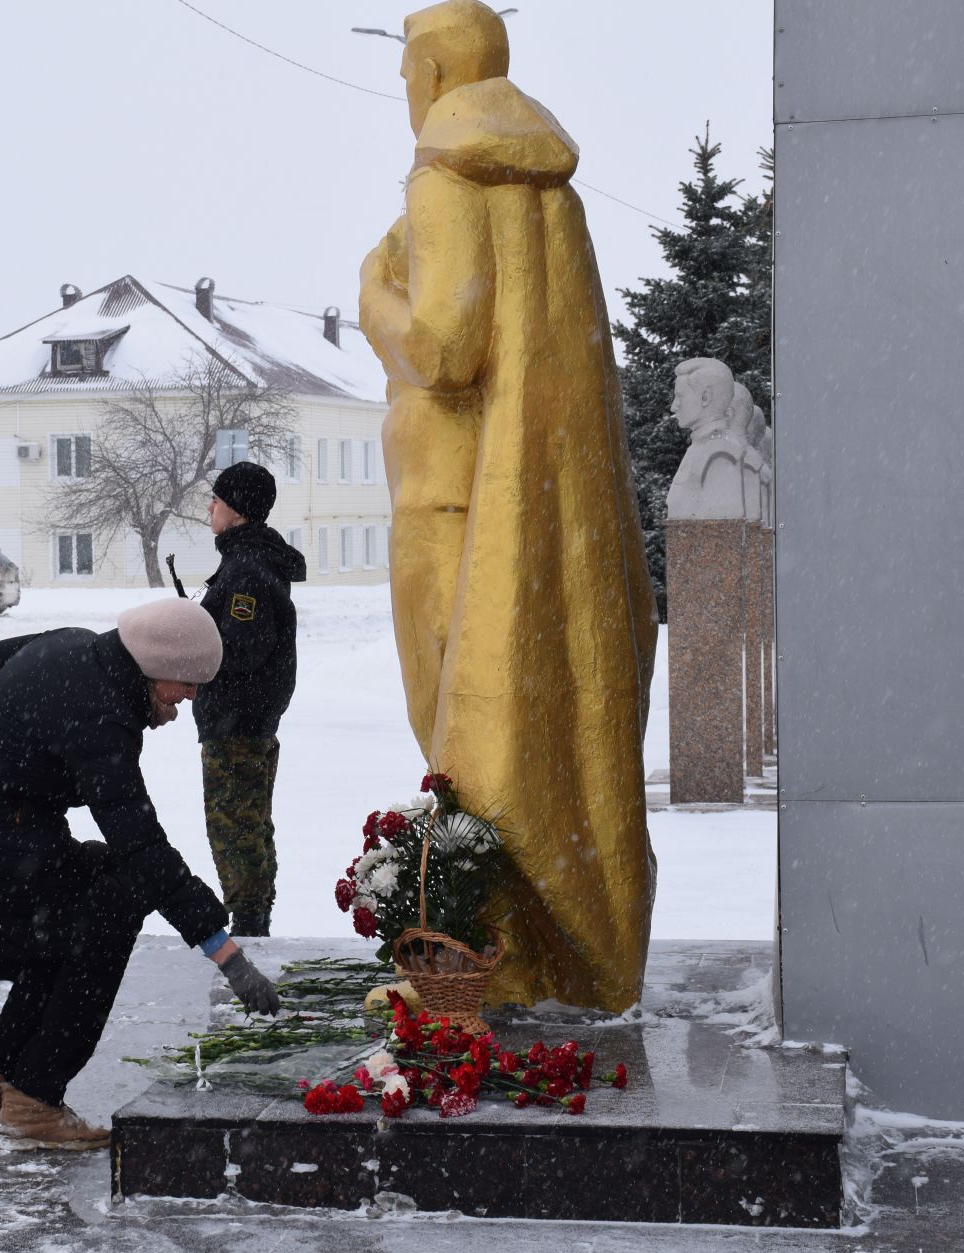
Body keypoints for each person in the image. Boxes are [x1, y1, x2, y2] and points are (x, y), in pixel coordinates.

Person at [359, 0, 659, 1011]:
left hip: (451, 507)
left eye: (408, 70)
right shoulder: (546, 192)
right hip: (510, 501)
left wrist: (373, 296)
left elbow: (445, 351)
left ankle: (494, 960)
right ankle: (558, 947)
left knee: (466, 749)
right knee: (524, 725)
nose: (405, 90)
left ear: (436, 71)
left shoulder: (448, 176)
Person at [0, 599, 281, 1152]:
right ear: (155, 666)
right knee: (108, 904)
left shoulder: (77, 645)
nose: (186, 701)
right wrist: (225, 953)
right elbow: (140, 846)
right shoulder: (101, 714)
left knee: (71, 917)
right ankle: (36, 1099)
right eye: (185, 685)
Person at [195, 460, 306, 937]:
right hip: (244, 719)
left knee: (235, 825)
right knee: (248, 823)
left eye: (216, 501)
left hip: (236, 721)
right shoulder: (249, 561)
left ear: (236, 510)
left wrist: (195, 638)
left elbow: (239, 648)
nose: (209, 509)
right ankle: (252, 916)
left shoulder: (247, 570)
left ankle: (249, 925)